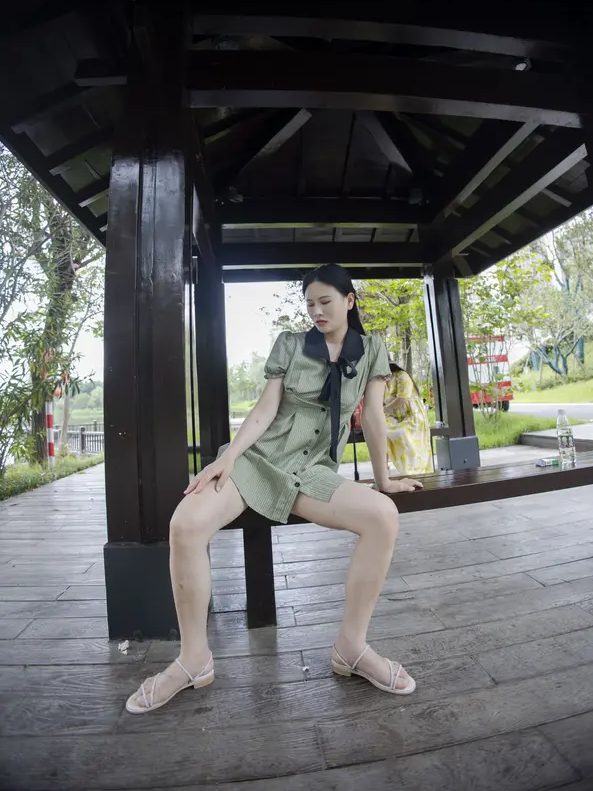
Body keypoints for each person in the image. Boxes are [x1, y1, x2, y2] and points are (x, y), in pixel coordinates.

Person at [126, 264, 423, 714]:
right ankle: (193, 659)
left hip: (313, 470)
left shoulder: (372, 351)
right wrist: (228, 458)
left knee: (383, 515)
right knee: (185, 524)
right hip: (258, 461)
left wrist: (384, 482)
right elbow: (265, 410)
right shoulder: (290, 344)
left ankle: (351, 647)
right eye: (310, 304)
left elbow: (374, 418)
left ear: (349, 301)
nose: (317, 311)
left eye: (326, 302)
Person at [384, 363, 433, 476]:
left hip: (412, 416)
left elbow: (403, 398)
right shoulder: (381, 381)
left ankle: (413, 470)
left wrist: (385, 409)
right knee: (380, 430)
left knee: (401, 434)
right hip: (393, 415)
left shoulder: (401, 375)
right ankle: (383, 470)